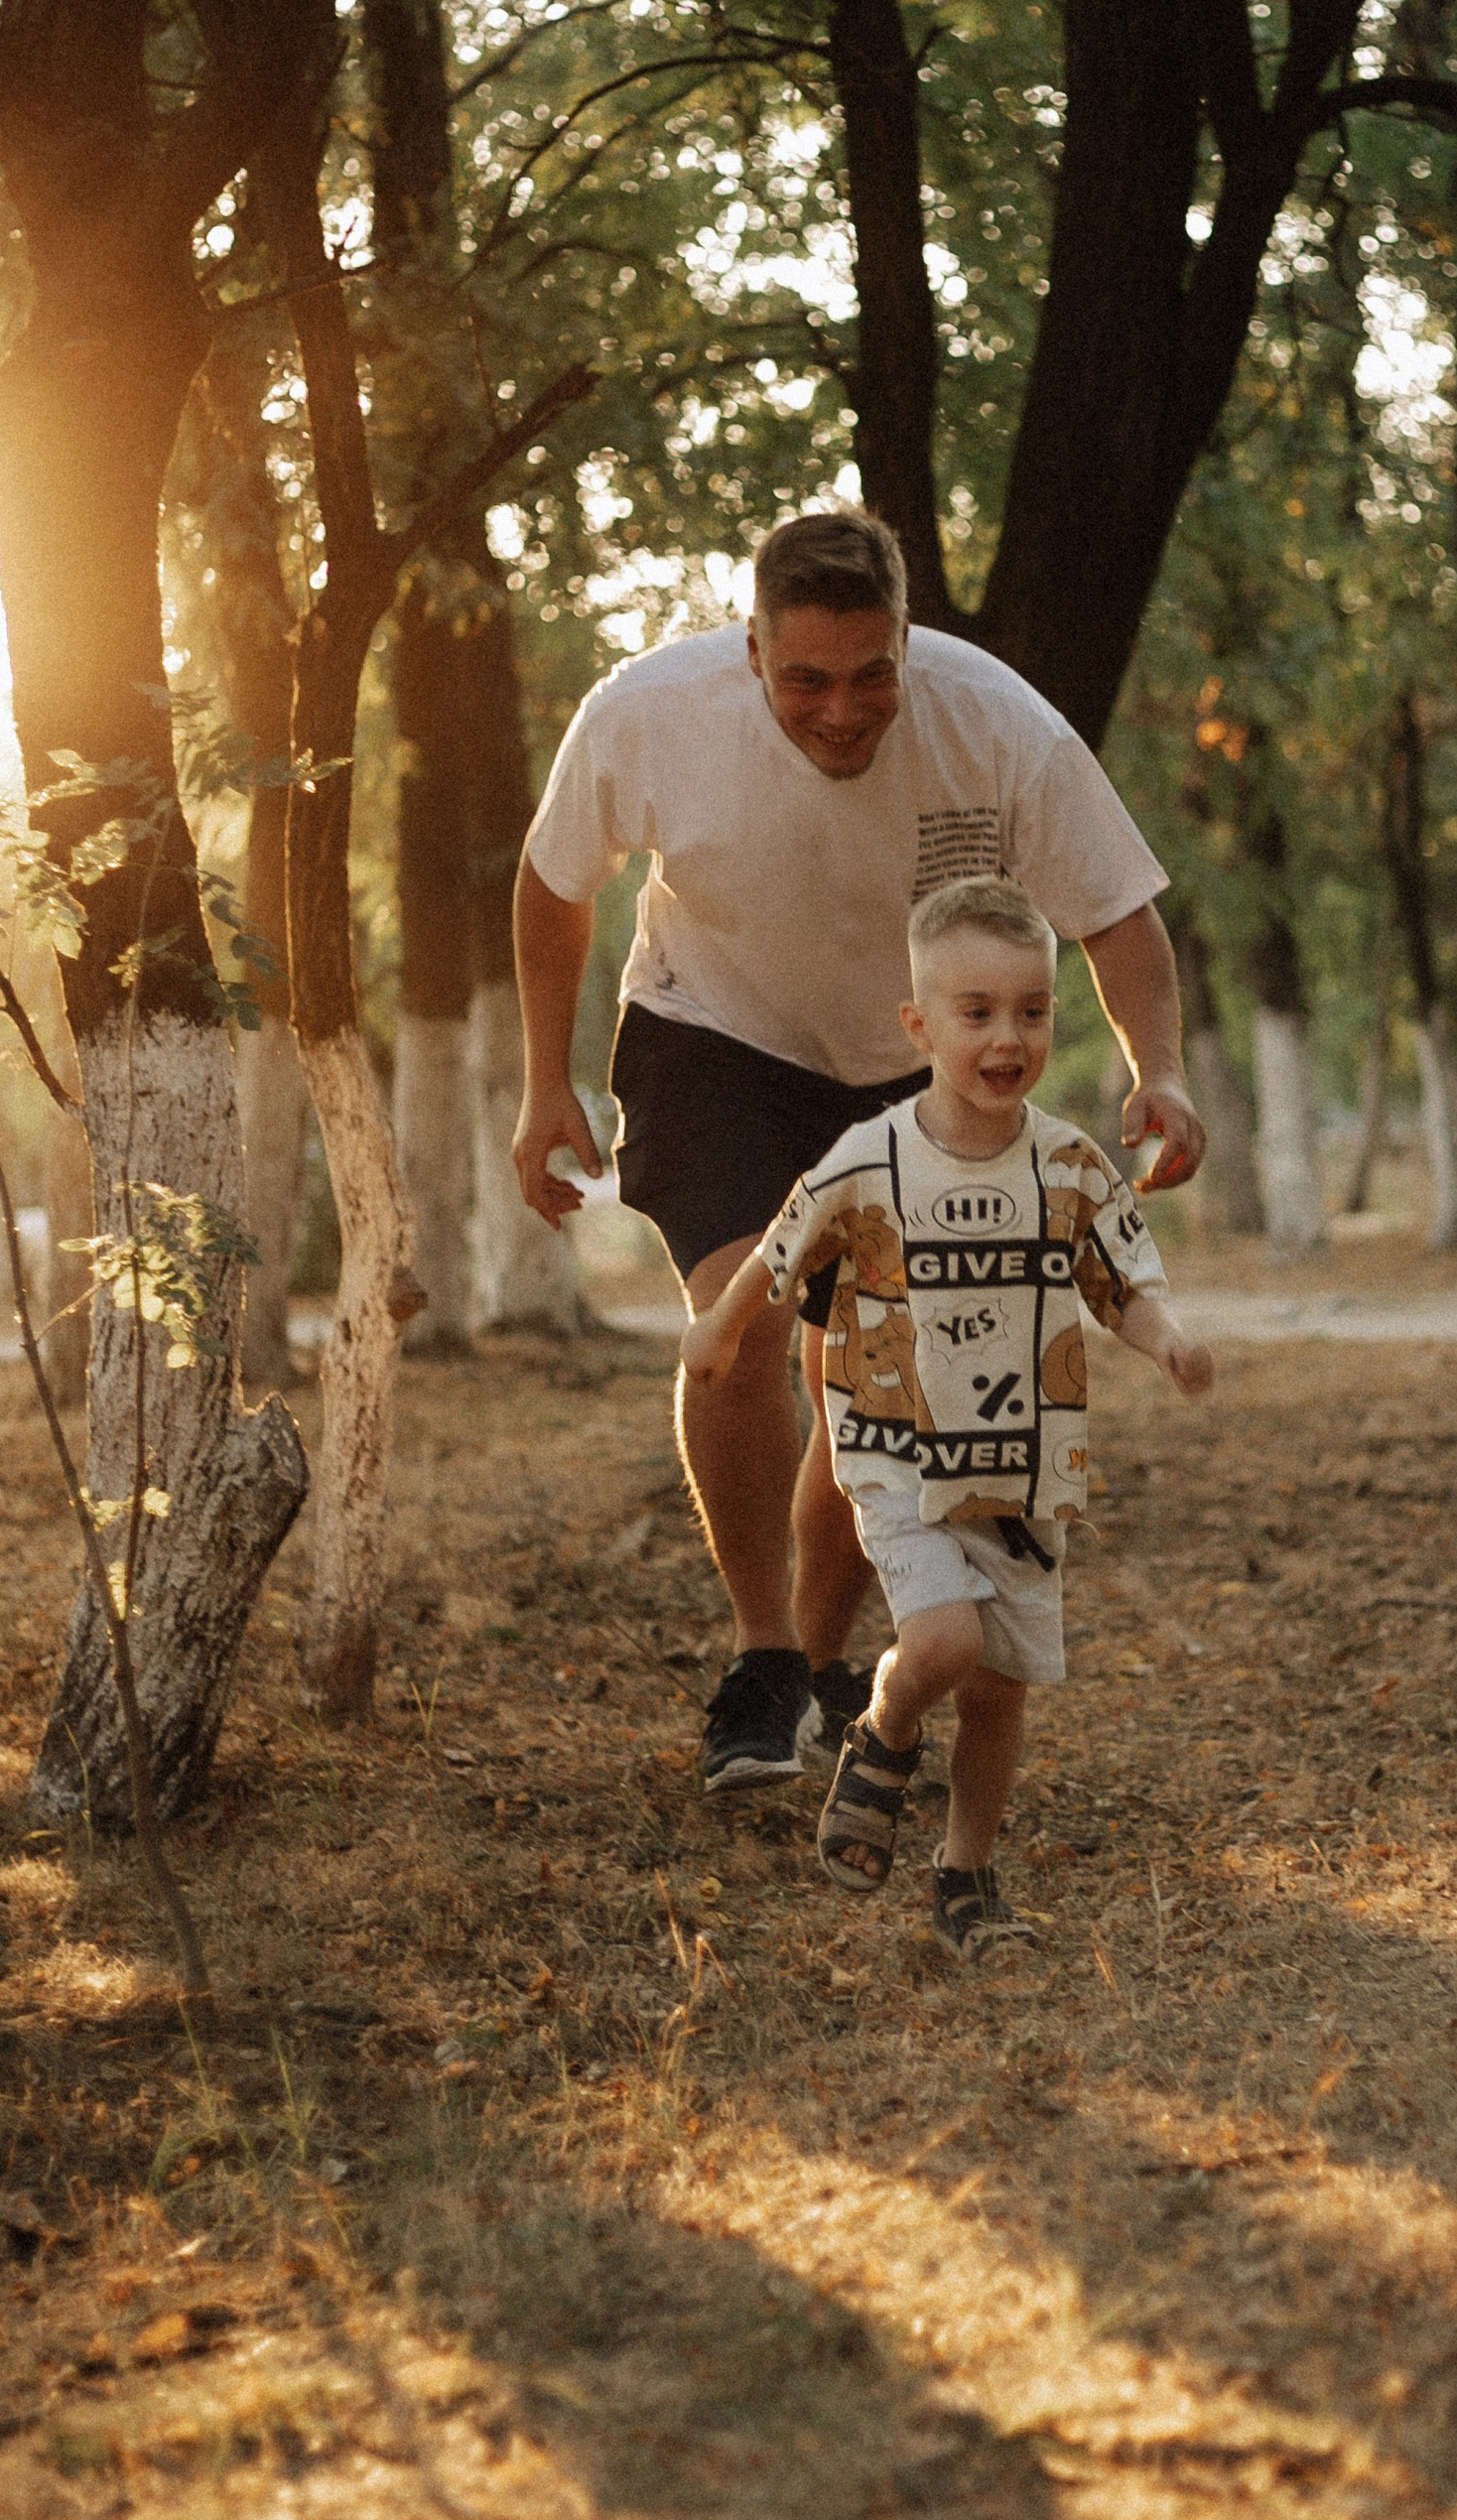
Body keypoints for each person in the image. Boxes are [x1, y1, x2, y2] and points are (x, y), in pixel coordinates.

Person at [510, 508, 1208, 1792]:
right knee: (744, 1312)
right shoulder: (651, 712)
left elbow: (1119, 917)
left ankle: (820, 1659)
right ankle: (764, 1651)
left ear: (906, 642)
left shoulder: (996, 725)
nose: (841, 710)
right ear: (753, 651)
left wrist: (1161, 1071)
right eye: (805, 681)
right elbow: (555, 880)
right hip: (710, 1034)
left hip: (906, 1066)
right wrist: (541, 1082)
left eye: (872, 673)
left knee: (868, 1381)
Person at [680, 873, 1214, 1953]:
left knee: (1002, 1690)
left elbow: (1120, 1287)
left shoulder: (1068, 1165)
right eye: (976, 1014)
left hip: (1024, 1469)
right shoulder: (872, 1159)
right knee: (946, 1642)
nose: (1006, 1037)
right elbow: (784, 1244)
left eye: (1029, 1011)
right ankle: (881, 1726)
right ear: (921, 1024)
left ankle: (965, 1874)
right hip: (897, 1456)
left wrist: (1168, 1343)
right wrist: (723, 1329)